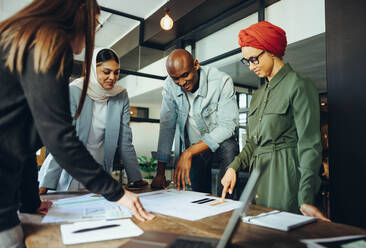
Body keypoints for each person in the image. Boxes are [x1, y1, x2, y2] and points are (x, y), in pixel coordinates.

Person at [0, 1, 153, 247]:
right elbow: (59, 137)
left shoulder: (24, 36)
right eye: (94, 24)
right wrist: (116, 192)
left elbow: (20, 139)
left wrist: (30, 202)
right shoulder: (48, 43)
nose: (94, 32)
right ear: (77, 15)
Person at [220, 21, 329, 221]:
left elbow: (309, 145)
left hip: (285, 180)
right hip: (257, 180)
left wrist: (305, 196)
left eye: (254, 59)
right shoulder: (258, 94)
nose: (251, 66)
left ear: (271, 51)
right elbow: (253, 142)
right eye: (247, 61)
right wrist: (233, 167)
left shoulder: (299, 85)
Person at [38, 48, 148, 194]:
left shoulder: (120, 96)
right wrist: (46, 183)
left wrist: (135, 178)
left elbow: (125, 141)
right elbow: (62, 140)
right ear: (92, 70)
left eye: (116, 72)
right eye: (106, 72)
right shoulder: (74, 92)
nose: (112, 77)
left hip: (98, 170)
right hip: (67, 167)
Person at [151, 49, 239, 195]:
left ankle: (227, 202)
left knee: (229, 147)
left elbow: (228, 126)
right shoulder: (170, 85)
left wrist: (189, 152)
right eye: (176, 79)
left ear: (196, 65)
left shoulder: (221, 81)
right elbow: (167, 127)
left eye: (185, 75)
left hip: (220, 145)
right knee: (197, 195)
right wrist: (160, 174)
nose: (182, 82)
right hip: (195, 147)